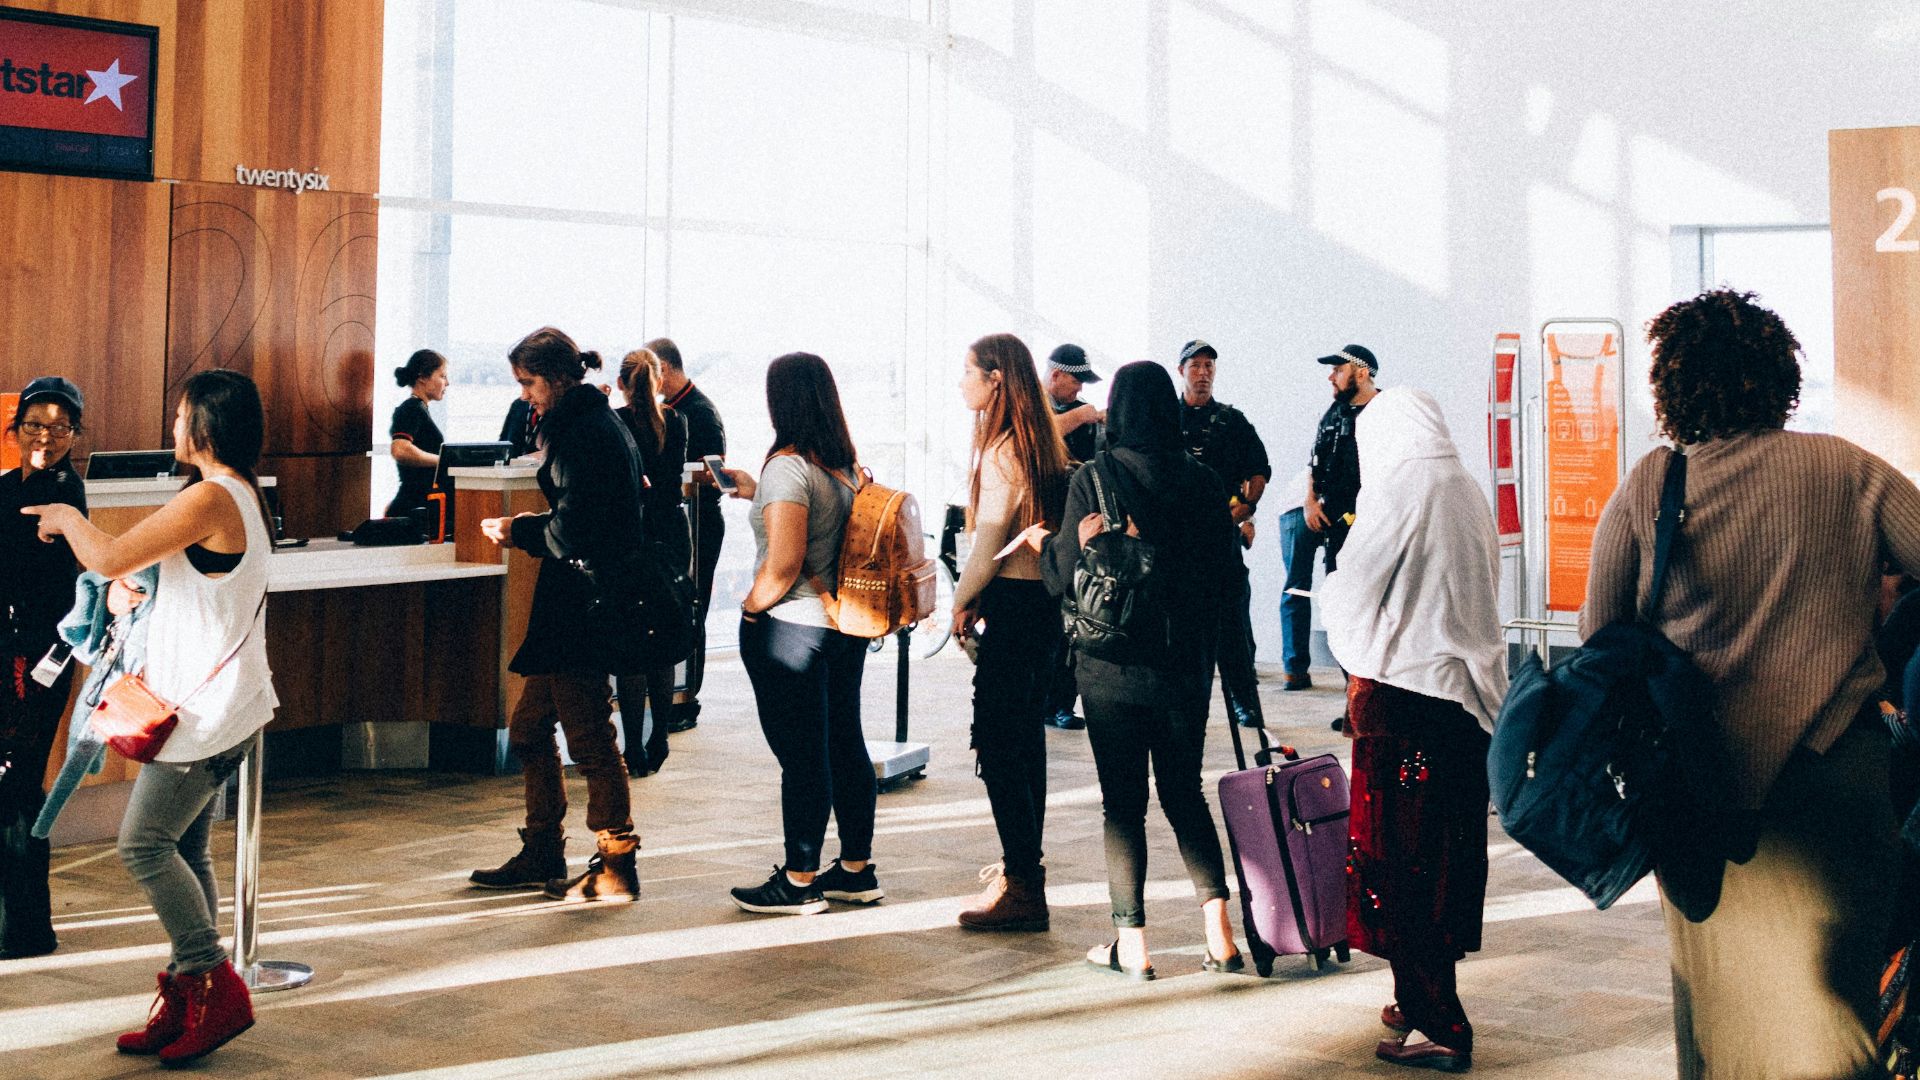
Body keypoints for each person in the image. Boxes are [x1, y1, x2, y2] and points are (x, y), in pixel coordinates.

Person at [1580, 289, 1920, 1080]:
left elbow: (1600, 642)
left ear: (1671, 385)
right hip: (1838, 782)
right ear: (1779, 377)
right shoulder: (1847, 469)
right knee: (1834, 1013)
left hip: (1696, 794)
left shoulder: (1650, 489)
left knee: (1720, 1012)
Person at [23, 369, 277, 1065]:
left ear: (205, 425)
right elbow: (170, 577)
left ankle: (213, 986)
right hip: (221, 704)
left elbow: (106, 556)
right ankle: (189, 997)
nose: (171, 427)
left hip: (206, 712)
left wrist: (67, 518)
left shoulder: (213, 494)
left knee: (142, 845)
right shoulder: (237, 496)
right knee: (185, 849)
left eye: (179, 415)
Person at [1318, 386, 1505, 1073]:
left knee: (1401, 868)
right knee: (1443, 865)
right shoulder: (1465, 487)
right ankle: (1413, 997)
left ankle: (1441, 1022)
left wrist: (1335, 596)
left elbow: (1357, 587)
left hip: (1404, 706)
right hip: (1461, 705)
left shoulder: (1402, 489)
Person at [1043, 360, 1244, 979]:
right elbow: (1228, 580)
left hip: (1111, 669)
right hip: (1187, 665)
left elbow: (1059, 580)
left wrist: (1061, 544)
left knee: (1122, 805)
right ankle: (1220, 935)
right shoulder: (1205, 482)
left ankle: (1131, 945)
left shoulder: (1093, 480)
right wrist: (1236, 672)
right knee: (1185, 793)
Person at [470, 327, 644, 904]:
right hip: (577, 601)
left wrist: (515, 529)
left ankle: (615, 864)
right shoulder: (594, 424)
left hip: (580, 606)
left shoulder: (581, 432)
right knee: (528, 729)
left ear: (560, 378)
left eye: (529, 383)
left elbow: (573, 530)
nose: (525, 395)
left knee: (590, 735)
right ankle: (543, 848)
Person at [718, 352, 878, 916]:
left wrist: (751, 607)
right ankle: (855, 870)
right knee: (844, 744)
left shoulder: (787, 468)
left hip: (792, 630)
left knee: (803, 757)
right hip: (844, 627)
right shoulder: (847, 467)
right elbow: (822, 534)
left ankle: (800, 878)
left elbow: (784, 564)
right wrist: (751, 491)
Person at [952, 334, 1071, 931]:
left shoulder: (1004, 451)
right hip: (1040, 607)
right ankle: (1026, 875)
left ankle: (1023, 883)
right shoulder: (1039, 444)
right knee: (1024, 742)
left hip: (1016, 609)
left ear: (996, 378)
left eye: (968, 371)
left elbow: (988, 543)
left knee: (999, 745)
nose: (962, 382)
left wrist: (960, 601)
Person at [0, 377, 87, 961]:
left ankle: (26, 927)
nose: (46, 436)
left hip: (37, 661)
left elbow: (48, 587)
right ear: (15, 428)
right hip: (9, 653)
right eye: (35, 425)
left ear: (74, 435)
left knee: (17, 782)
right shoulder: (10, 486)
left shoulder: (63, 496)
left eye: (59, 427)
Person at [1176, 340, 1270, 729]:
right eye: (1196, 365)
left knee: (1234, 628)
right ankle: (1180, 701)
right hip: (1177, 545)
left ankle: (1244, 700)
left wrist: (1247, 507)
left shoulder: (1233, 422)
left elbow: (1260, 468)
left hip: (1222, 542)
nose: (1203, 373)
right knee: (1180, 631)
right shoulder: (1165, 419)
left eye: (1209, 366)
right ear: (1181, 370)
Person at [612, 347, 689, 778]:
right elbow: (671, 480)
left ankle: (632, 747)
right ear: (659, 381)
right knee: (663, 641)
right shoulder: (676, 422)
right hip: (671, 536)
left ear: (622, 383)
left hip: (633, 536)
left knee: (631, 646)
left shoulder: (616, 423)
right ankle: (659, 734)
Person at [1302, 344, 1379, 725]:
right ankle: (1353, 703)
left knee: (1373, 620)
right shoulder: (1333, 413)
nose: (1331, 376)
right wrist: (1310, 502)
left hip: (1373, 538)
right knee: (1343, 618)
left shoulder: (1385, 413)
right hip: (1335, 537)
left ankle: (1374, 704)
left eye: (1338, 369)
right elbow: (1314, 462)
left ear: (1362, 373)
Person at [653, 337, 726, 734]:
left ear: (663, 369)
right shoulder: (671, 409)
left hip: (700, 523)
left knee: (692, 604)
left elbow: (716, 470)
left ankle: (687, 696)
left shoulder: (699, 411)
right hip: (682, 522)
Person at [1042, 344, 1101, 731]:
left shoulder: (1087, 418)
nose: (1080, 389)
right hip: (1044, 528)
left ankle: (1063, 702)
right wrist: (1083, 415)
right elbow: (1039, 434)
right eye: (1075, 380)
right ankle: (1047, 701)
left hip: (1078, 526)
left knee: (1073, 621)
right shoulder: (1035, 409)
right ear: (1056, 376)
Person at [385, 349, 449, 524]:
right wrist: (443, 460)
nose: (447, 383)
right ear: (422, 377)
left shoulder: (420, 409)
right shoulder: (411, 408)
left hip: (415, 502)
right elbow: (400, 450)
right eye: (442, 376)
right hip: (412, 506)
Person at [1270, 465, 1317, 690]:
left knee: (1296, 587)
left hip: (1295, 505)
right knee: (1346, 586)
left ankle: (1294, 672)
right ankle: (1357, 676)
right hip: (1301, 504)